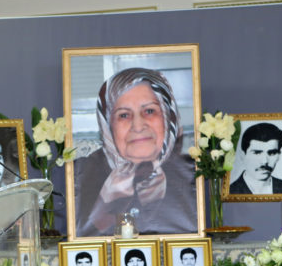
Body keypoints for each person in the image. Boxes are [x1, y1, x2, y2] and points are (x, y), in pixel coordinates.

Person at [74, 67, 197, 236]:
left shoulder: (192, 172)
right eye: (124, 115)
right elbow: (84, 236)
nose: (138, 126)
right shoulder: (82, 174)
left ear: (169, 118)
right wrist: (106, 203)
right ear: (107, 126)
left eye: (149, 111)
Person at [229, 122, 282, 194]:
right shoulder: (231, 192)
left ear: (279, 156)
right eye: (257, 153)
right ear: (243, 155)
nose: (264, 161)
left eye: (272, 153)